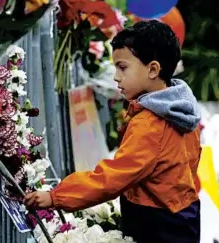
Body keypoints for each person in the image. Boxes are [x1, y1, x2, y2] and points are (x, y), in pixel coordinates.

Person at [25, 20, 202, 243]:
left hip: (156, 224)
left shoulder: (150, 123)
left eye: (122, 67)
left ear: (153, 69)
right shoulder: (182, 109)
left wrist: (55, 197)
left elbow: (112, 178)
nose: (116, 77)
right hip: (184, 214)